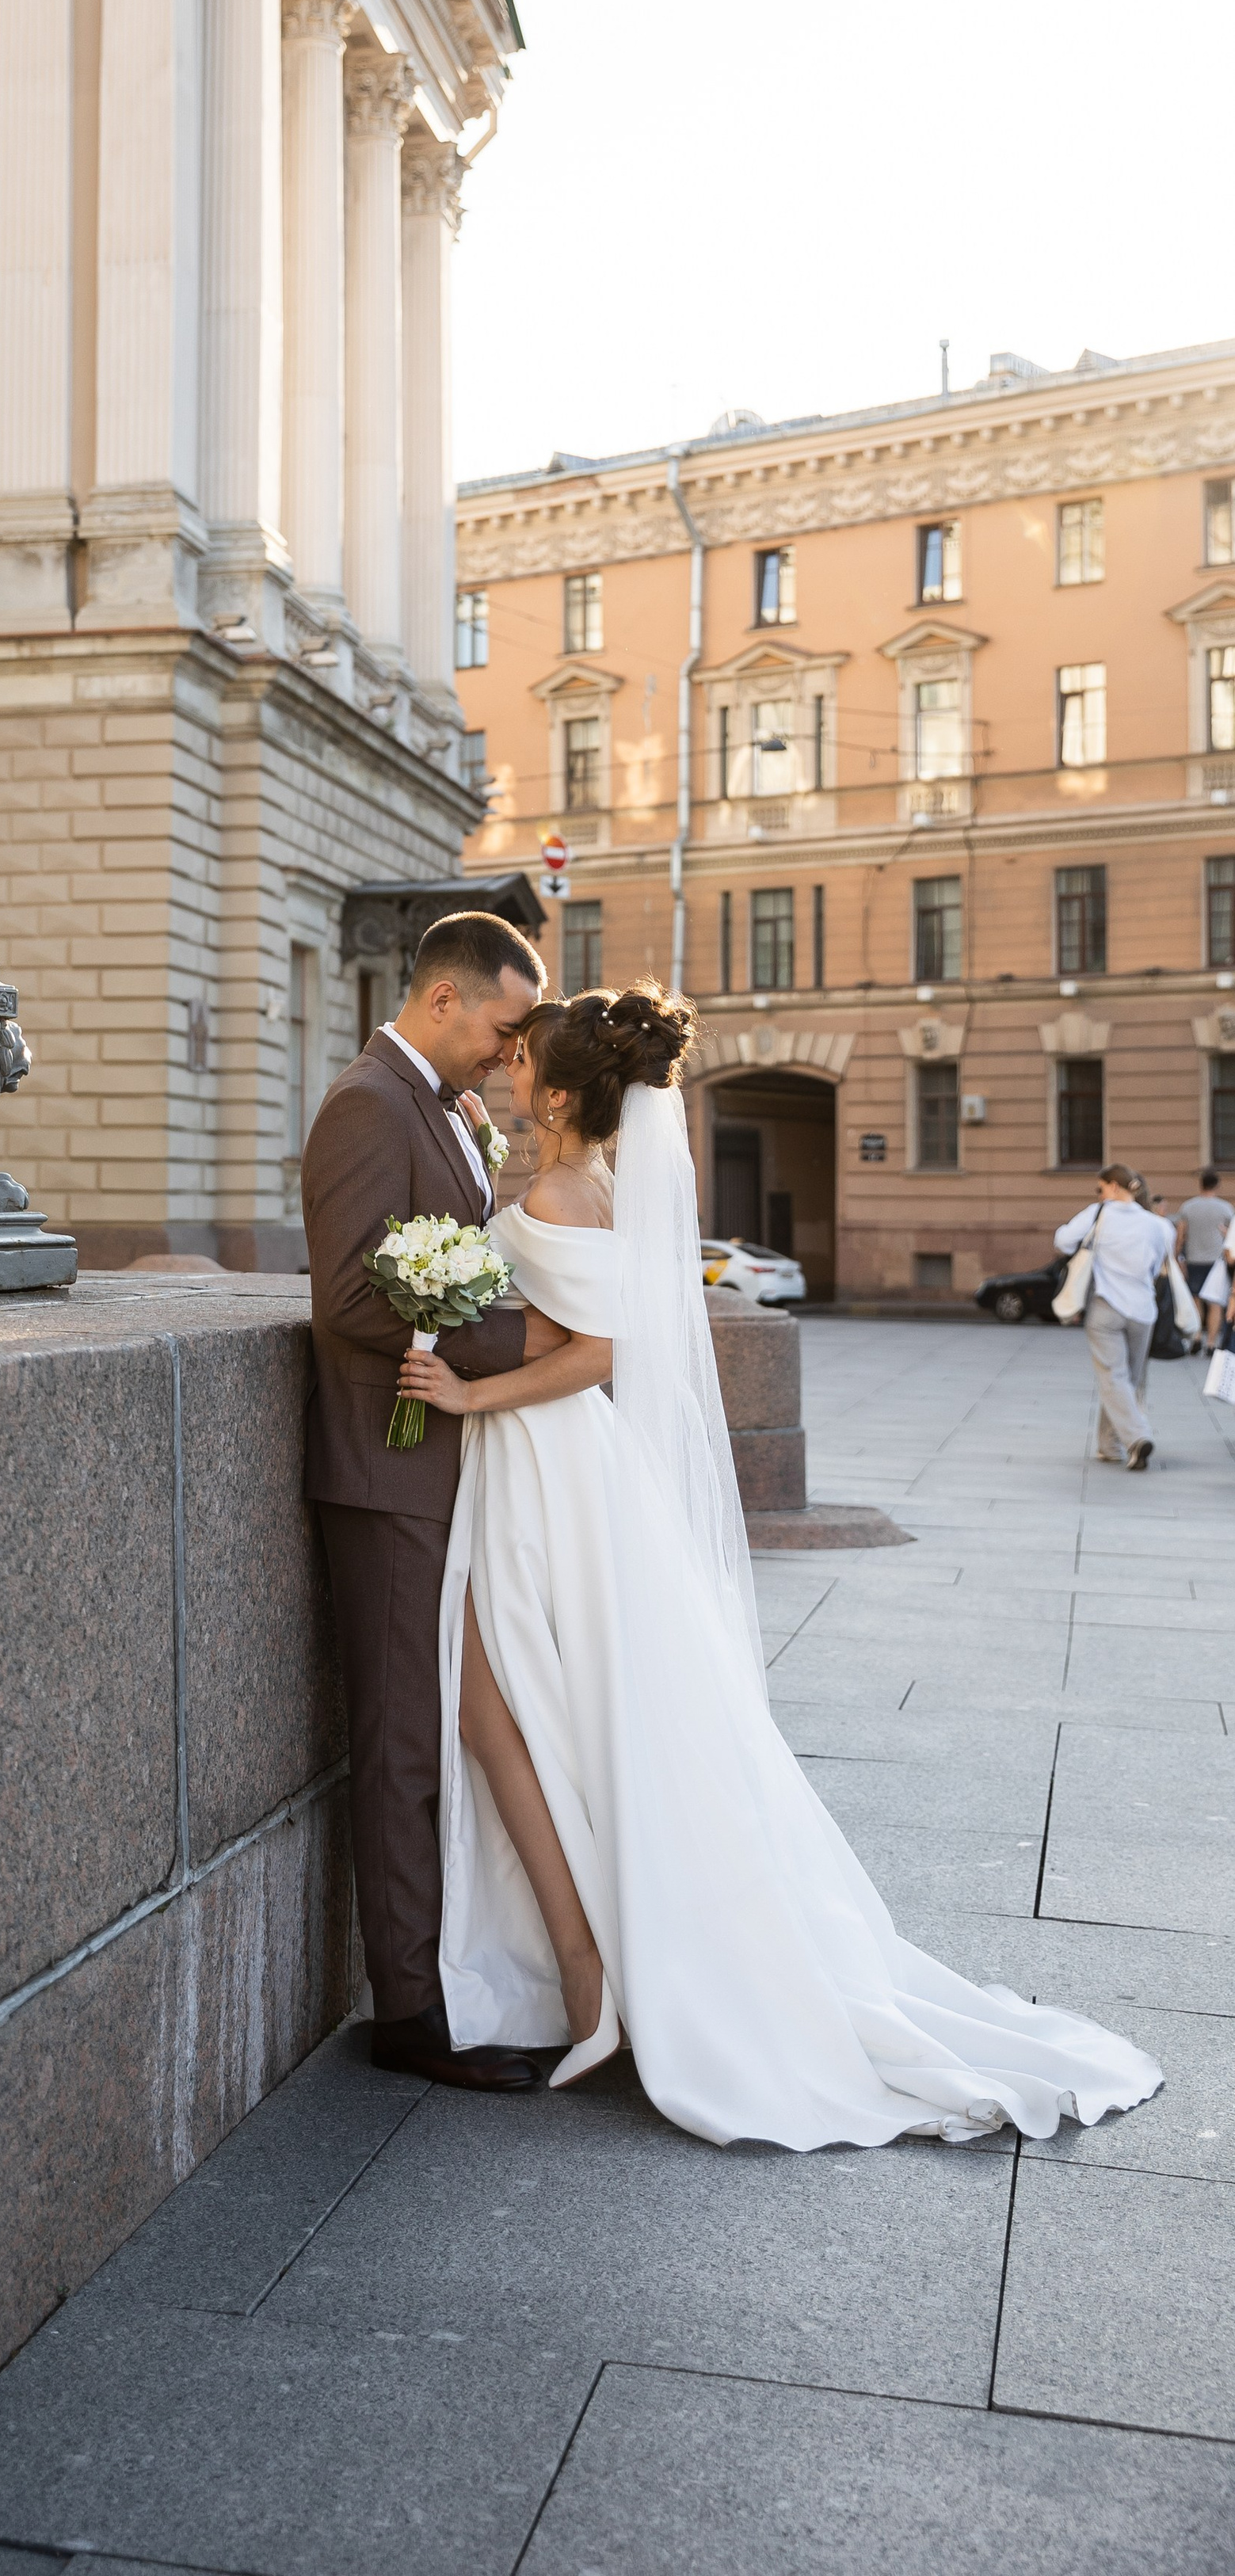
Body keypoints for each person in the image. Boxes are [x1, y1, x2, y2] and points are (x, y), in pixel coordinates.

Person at [393, 983, 1162, 2149]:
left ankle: (590, 1967)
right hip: (555, 1471)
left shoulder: (558, 1189)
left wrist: (468, 1387)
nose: (502, 1073)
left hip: (544, 1465)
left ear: (555, 1092)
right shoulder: (582, 1181)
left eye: (520, 1066)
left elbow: (602, 1352)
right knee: (536, 1711)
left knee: (512, 1711)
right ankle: (585, 1960)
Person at [301, 909, 600, 2093]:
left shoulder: (445, 1107)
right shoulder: (370, 1104)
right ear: (443, 1000)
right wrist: (524, 1338)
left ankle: (463, 1977)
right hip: (387, 1465)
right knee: (401, 1744)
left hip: (443, 1458)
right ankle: (412, 2015)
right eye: (503, 1024)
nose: (510, 1051)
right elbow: (352, 1298)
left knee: (445, 1730)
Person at [1056, 1166, 1178, 1471]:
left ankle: (1137, 1439)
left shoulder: (1099, 1213)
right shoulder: (1159, 1225)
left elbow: (1063, 1241)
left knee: (1113, 1377)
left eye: (1100, 1189)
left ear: (1112, 1187)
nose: (1099, 1195)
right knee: (1129, 1381)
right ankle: (1109, 1446)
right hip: (1144, 1311)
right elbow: (1160, 1265)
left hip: (1106, 1307)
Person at [1179, 1171, 1234, 1351]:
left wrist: (1178, 1257)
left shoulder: (1188, 1207)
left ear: (1201, 1184)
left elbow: (1181, 1236)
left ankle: (1196, 1337)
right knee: (1215, 1303)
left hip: (1194, 1259)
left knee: (1195, 1299)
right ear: (1217, 1186)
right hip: (1217, 1262)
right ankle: (1211, 1343)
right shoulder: (1226, 1208)